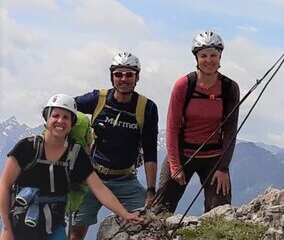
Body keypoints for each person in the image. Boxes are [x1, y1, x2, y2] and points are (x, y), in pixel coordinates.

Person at [0, 94, 143, 240]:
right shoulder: (27, 147)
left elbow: (99, 188)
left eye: (66, 117)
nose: (60, 121)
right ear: (47, 119)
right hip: (20, 224)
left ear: (71, 123)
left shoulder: (76, 154)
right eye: (55, 115)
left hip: (53, 225)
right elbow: (4, 185)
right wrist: (6, 227)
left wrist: (125, 214)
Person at [68, 53, 158, 240]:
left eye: (129, 74)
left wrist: (150, 190)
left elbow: (150, 150)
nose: (123, 79)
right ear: (112, 77)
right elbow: (66, 107)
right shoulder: (97, 99)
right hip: (92, 177)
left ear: (137, 77)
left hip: (125, 179)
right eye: (118, 74)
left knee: (148, 221)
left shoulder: (147, 107)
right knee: (76, 232)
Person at [154, 31, 240, 213]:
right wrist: (175, 166)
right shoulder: (184, 85)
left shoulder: (229, 88)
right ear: (196, 58)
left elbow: (231, 130)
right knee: (160, 212)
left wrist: (223, 168)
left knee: (221, 213)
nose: (209, 60)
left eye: (213, 55)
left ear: (220, 57)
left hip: (214, 158)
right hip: (182, 153)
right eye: (203, 56)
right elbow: (171, 127)